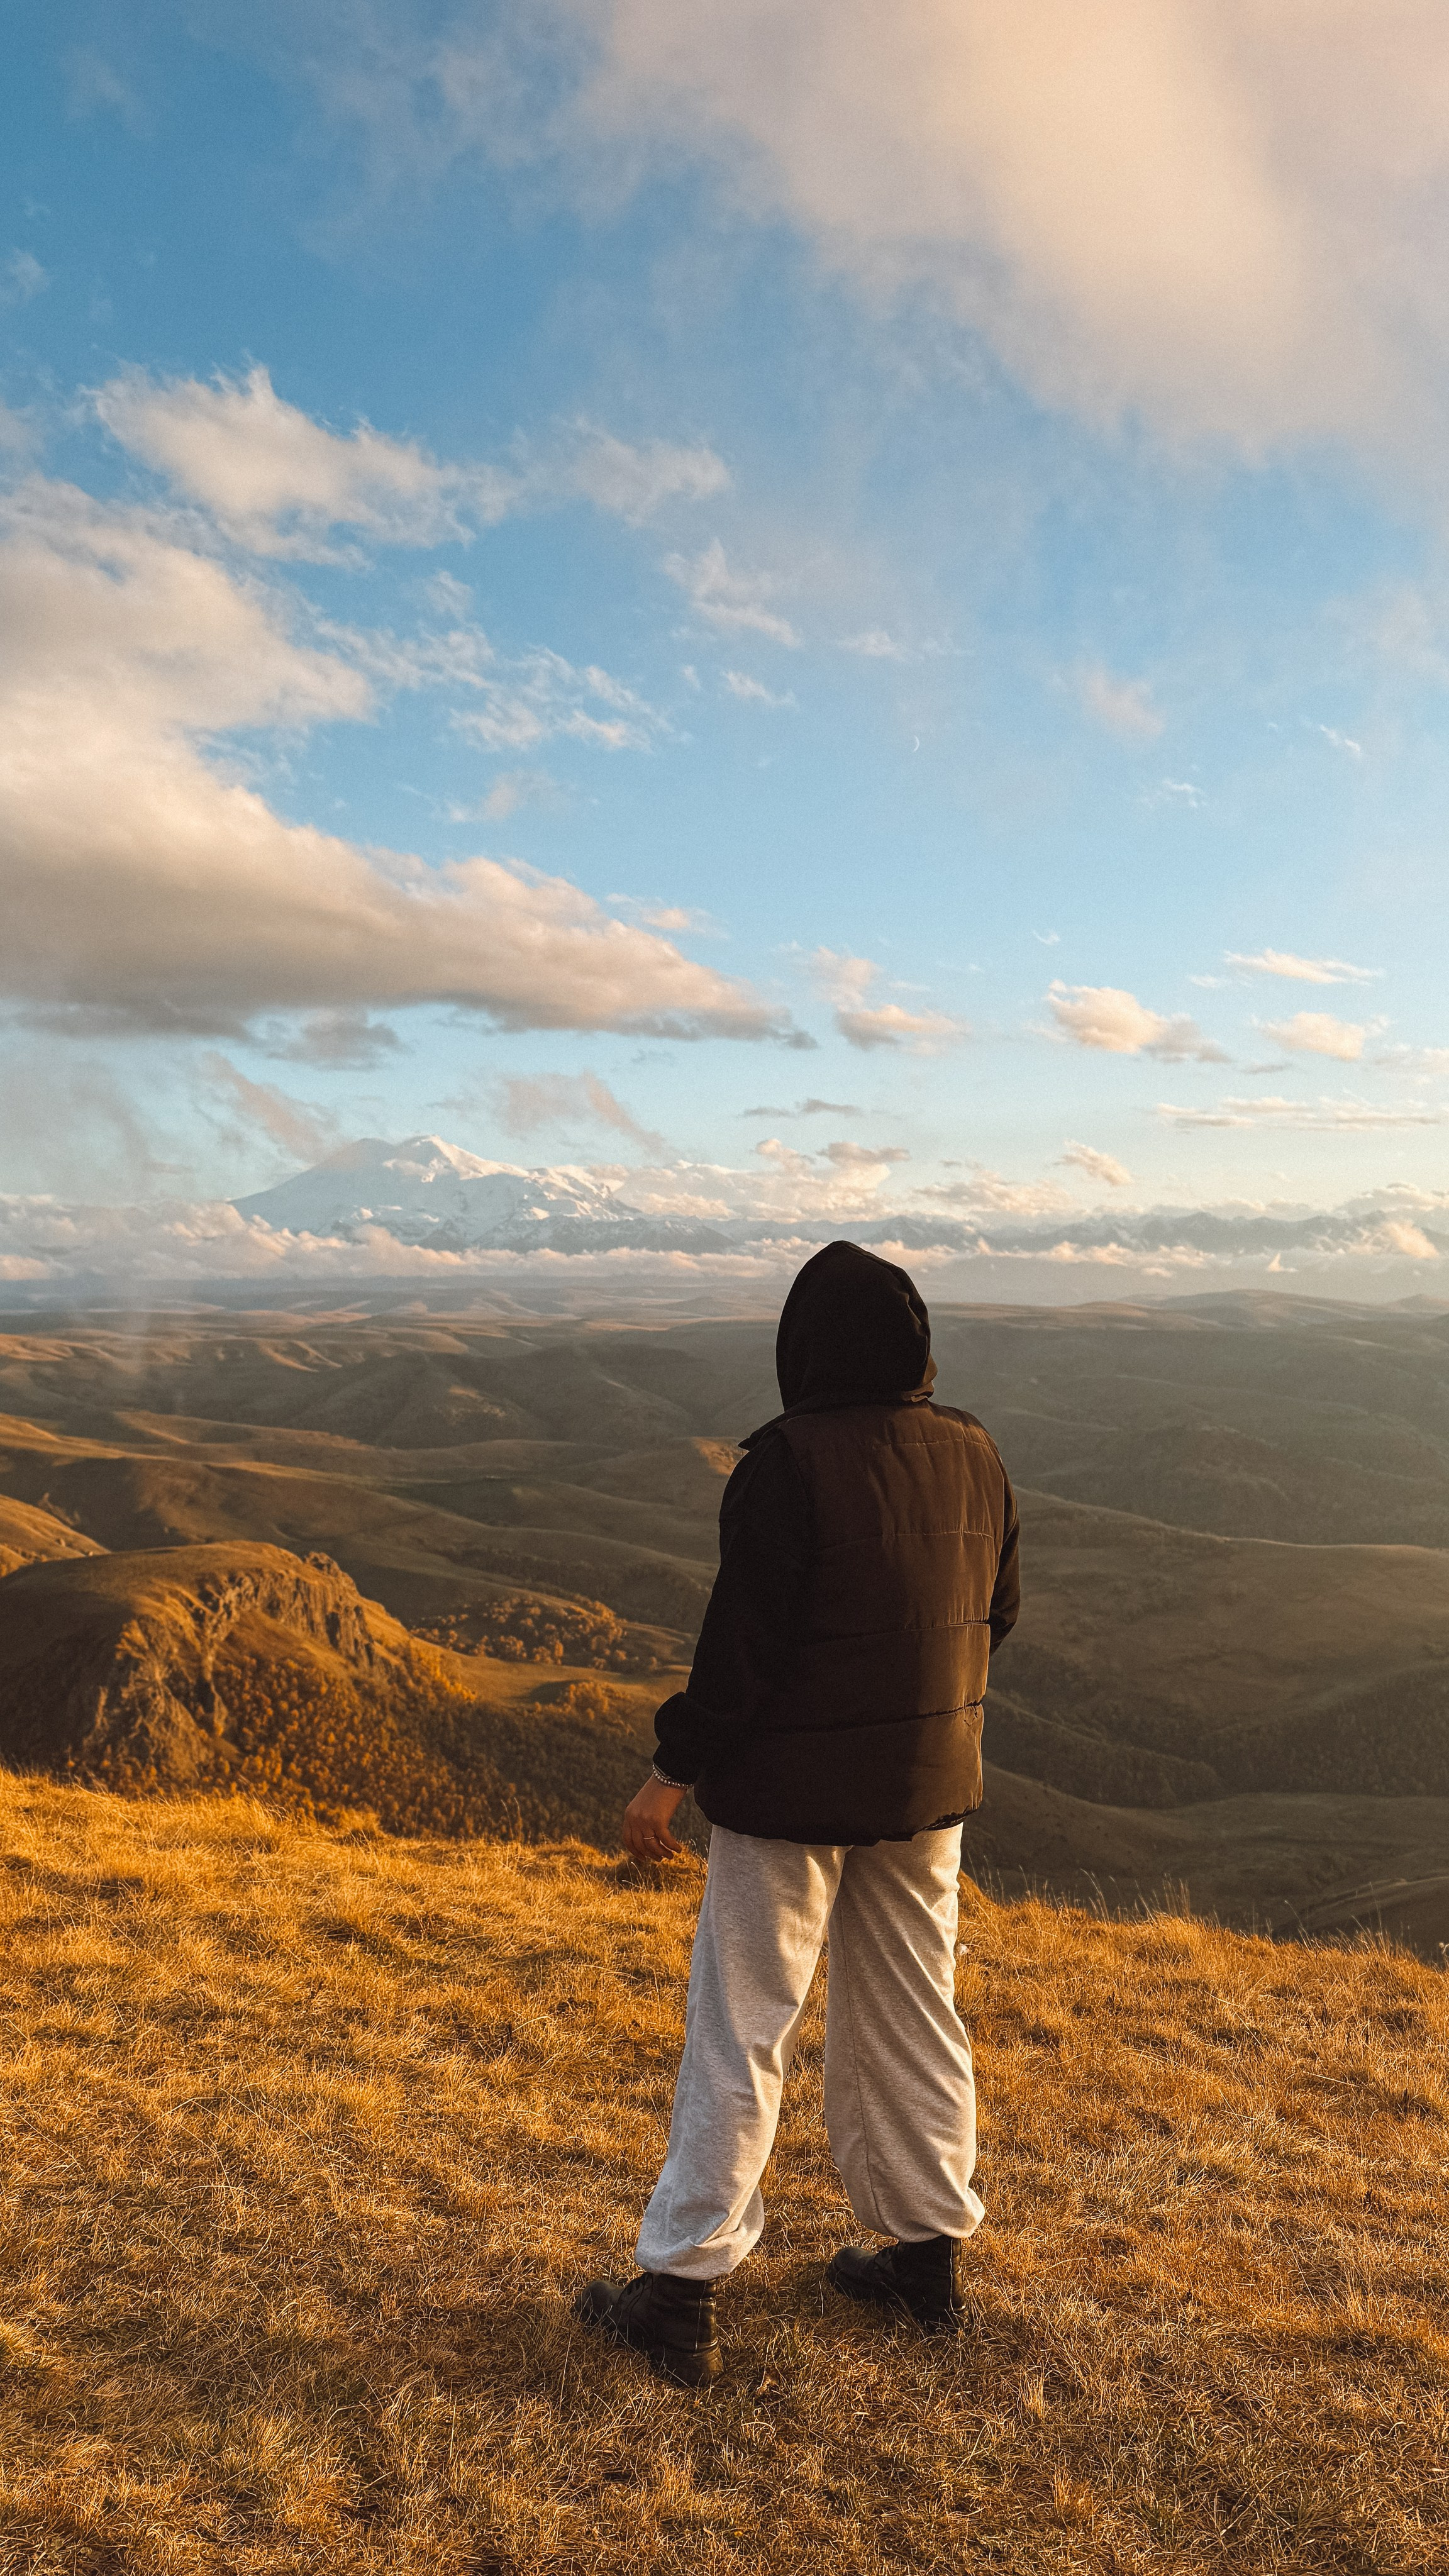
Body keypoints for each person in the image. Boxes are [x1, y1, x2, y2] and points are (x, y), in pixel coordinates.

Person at [576, 1240, 1019, 2386]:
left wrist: (670, 1772)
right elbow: (995, 1612)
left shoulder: (787, 1462)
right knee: (918, 2012)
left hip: (786, 1801)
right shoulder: (975, 1450)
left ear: (804, 1347)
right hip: (929, 1791)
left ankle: (677, 2294)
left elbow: (743, 1652)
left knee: (743, 2024)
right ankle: (924, 2259)